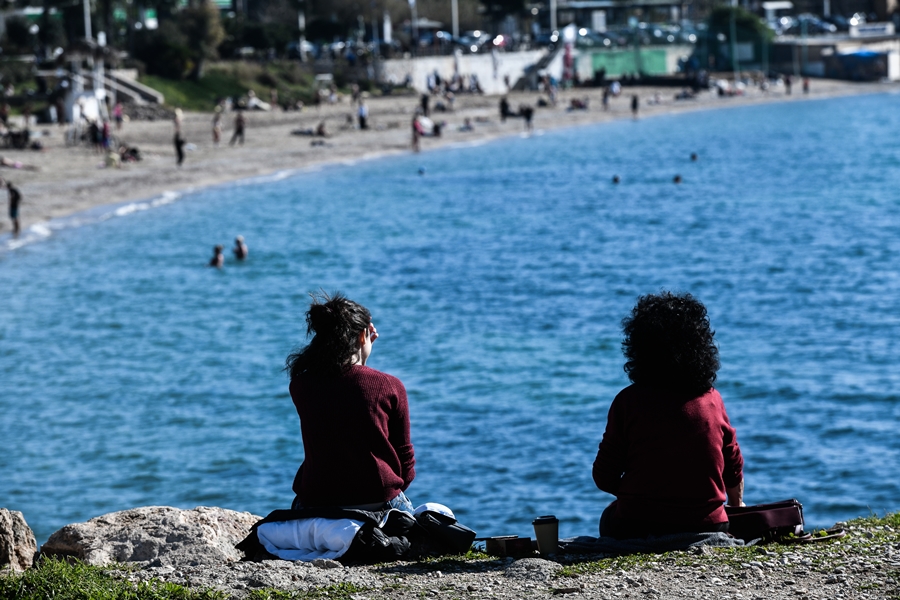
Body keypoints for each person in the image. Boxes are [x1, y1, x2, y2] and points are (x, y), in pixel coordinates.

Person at [593, 292, 744, 540]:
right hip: (709, 526)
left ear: (639, 348)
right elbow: (733, 464)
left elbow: (603, 476)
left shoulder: (628, 401)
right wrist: (737, 507)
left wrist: (638, 497)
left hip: (637, 523)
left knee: (608, 518)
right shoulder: (712, 400)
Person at [285, 292, 416, 513]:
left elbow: (341, 390)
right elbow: (406, 465)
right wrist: (363, 359)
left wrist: (360, 351)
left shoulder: (300, 385)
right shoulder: (389, 386)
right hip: (378, 501)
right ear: (363, 337)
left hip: (314, 502)